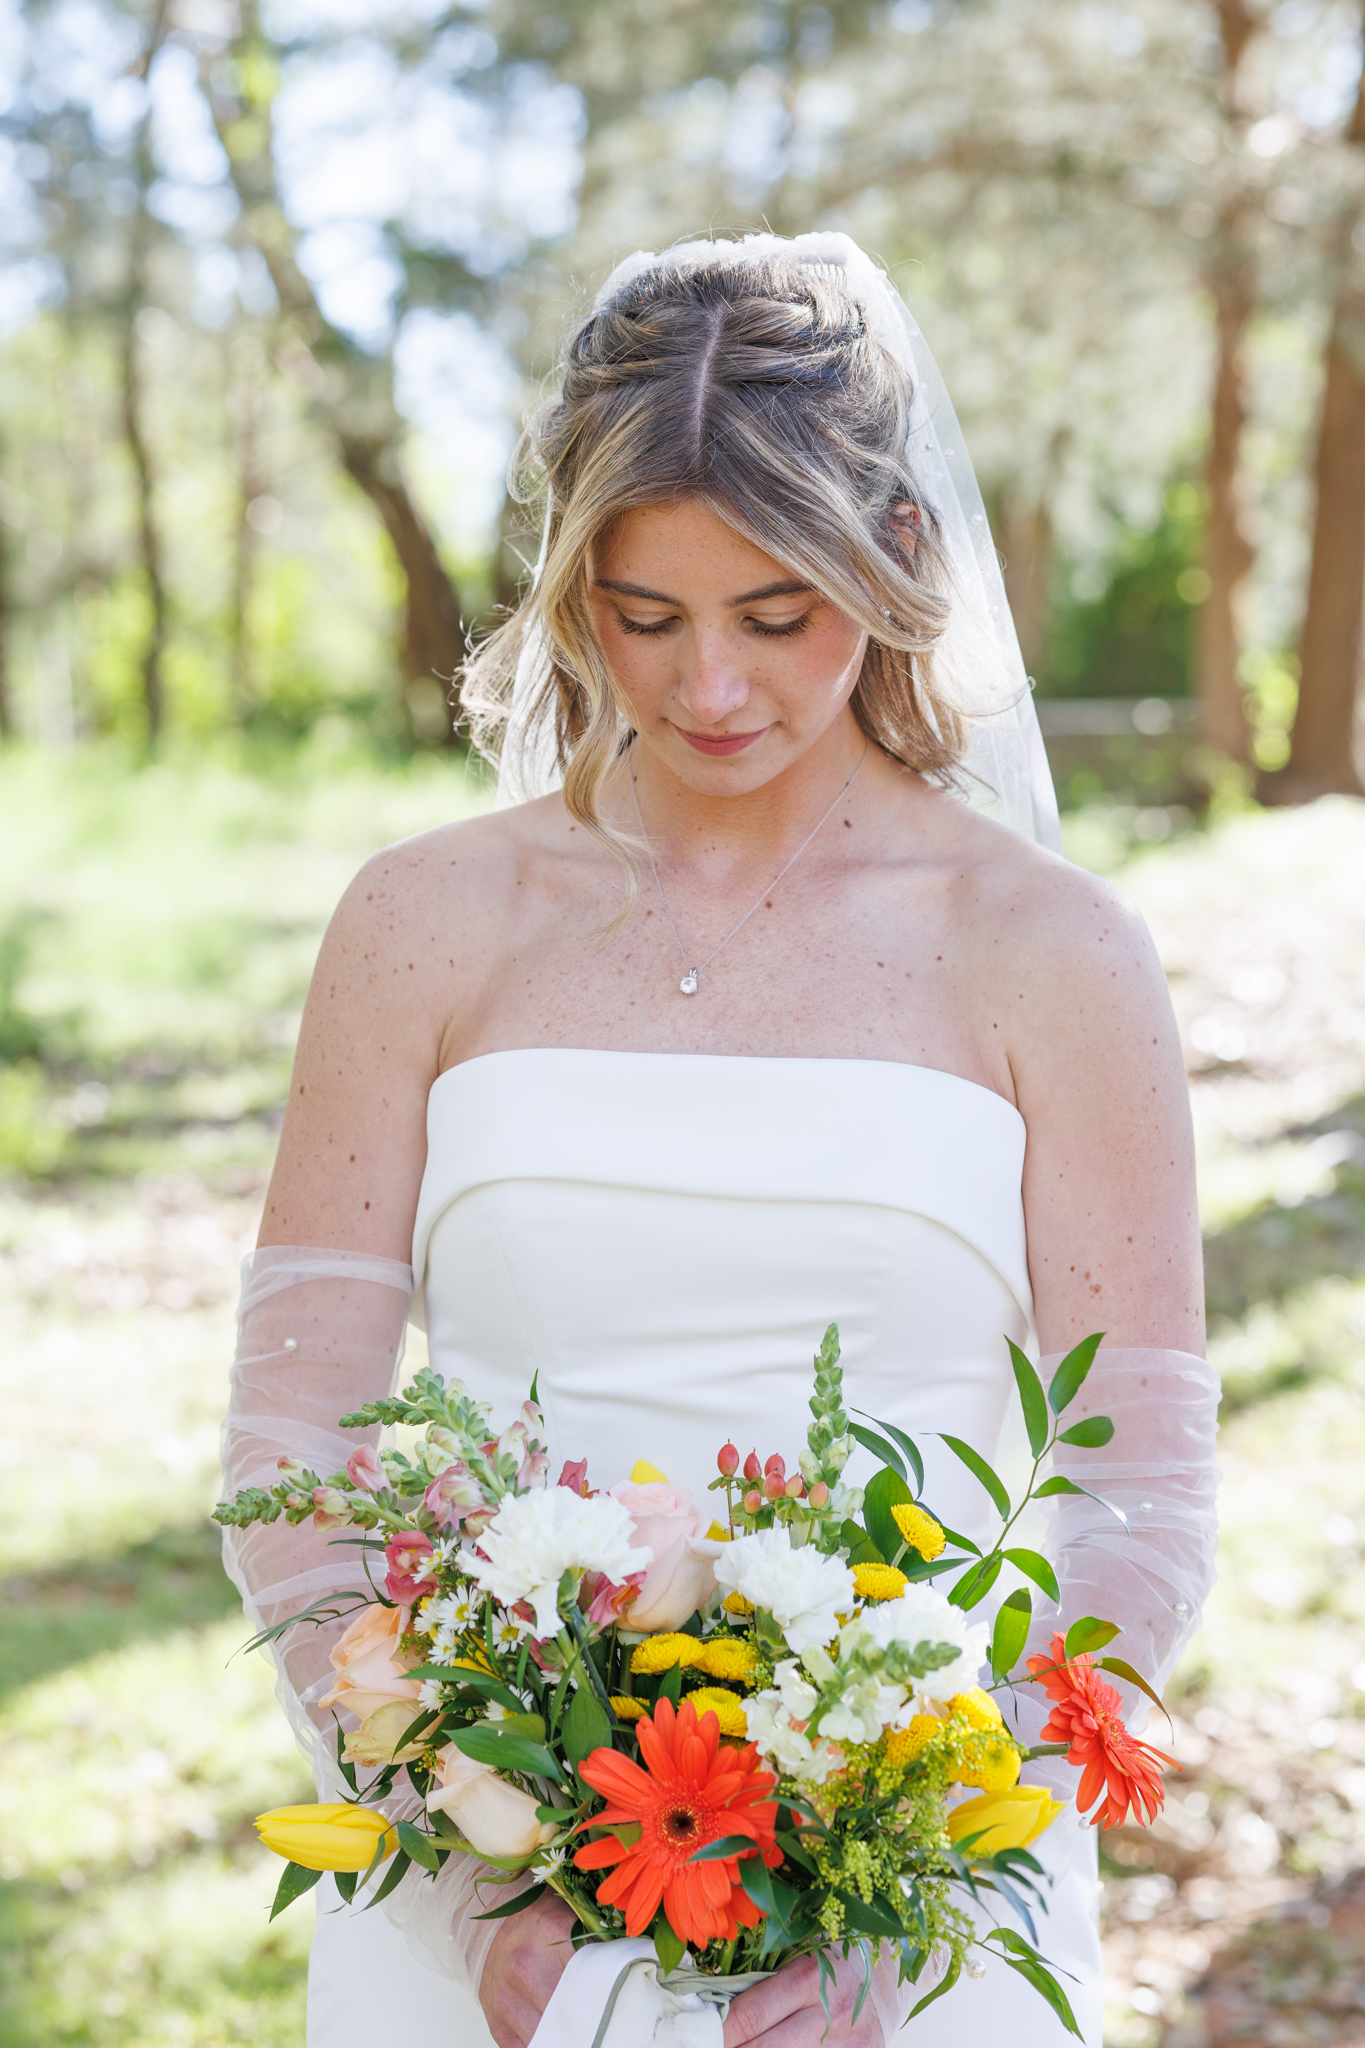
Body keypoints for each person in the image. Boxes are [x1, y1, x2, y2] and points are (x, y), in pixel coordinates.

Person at [220, 234, 1218, 2048]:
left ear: (894, 557)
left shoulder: (1052, 952)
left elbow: (1136, 1495)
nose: (709, 692)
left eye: (776, 615)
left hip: (914, 1923)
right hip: (479, 1910)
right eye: (643, 615)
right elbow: (298, 1450)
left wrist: (918, 1877)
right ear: (569, 587)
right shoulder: (419, 925)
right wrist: (466, 1872)